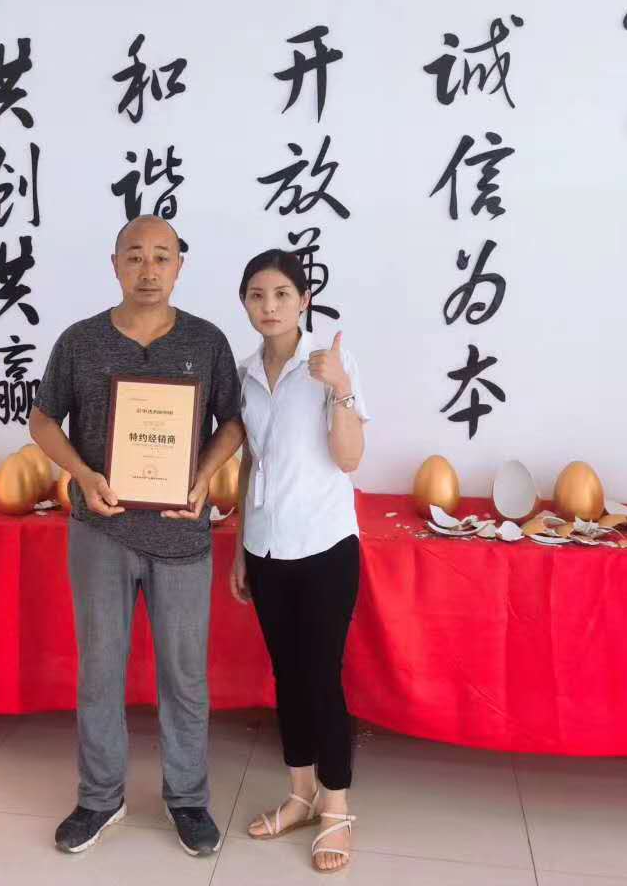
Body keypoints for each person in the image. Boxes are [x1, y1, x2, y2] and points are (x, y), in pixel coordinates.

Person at [29, 215, 245, 857]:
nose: (148, 270)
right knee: (100, 669)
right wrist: (82, 474)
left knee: (185, 675)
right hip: (101, 530)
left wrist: (204, 476)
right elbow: (43, 420)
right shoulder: (81, 341)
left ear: (180, 265)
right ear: (115, 263)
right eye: (135, 256)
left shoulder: (206, 341)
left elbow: (233, 423)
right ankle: (99, 797)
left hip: (182, 538)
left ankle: (188, 799)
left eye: (161, 257)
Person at [229, 248, 368, 874]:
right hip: (266, 547)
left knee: (321, 677)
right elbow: (250, 462)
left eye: (282, 294)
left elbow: (349, 457)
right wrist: (241, 545)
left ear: (304, 300)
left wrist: (340, 388)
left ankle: (336, 807)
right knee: (286, 676)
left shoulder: (331, 364)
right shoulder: (244, 373)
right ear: (245, 303)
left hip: (325, 546)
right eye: (257, 295)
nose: (270, 306)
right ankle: (301, 794)